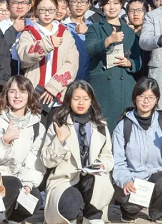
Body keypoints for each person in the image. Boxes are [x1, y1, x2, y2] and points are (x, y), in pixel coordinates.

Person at [40, 80, 114, 224]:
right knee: (70, 204)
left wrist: (101, 165)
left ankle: (92, 217)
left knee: (96, 183)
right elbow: (46, 161)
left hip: (91, 179)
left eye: (85, 99)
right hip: (64, 180)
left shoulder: (101, 126)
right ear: (69, 100)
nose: (81, 103)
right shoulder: (58, 124)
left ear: (91, 101)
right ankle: (73, 215)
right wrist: (59, 141)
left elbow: (108, 157)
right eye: (76, 98)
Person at [112, 77, 162, 223]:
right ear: (135, 98)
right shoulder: (123, 126)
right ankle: (128, 212)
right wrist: (126, 180)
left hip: (156, 178)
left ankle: (157, 212)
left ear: (156, 100)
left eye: (150, 97)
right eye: (141, 96)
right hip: (133, 180)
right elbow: (117, 161)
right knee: (131, 207)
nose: (146, 101)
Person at [86, 0, 142, 131]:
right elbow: (90, 50)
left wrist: (129, 63)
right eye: (108, 3)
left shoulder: (129, 31)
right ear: (101, 5)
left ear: (122, 4)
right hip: (103, 86)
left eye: (116, 3)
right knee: (103, 129)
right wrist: (108, 40)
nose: (112, 7)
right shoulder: (95, 28)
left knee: (123, 130)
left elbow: (138, 61)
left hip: (124, 86)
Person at [17, 0, 78, 119]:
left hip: (59, 96)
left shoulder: (65, 33)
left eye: (51, 10)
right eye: (42, 9)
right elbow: (24, 58)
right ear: (36, 10)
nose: (47, 13)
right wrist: (47, 43)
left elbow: (72, 64)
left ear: (56, 10)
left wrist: (53, 88)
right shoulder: (28, 33)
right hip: (33, 94)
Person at [0, 76, 45, 223]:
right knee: (12, 184)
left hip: (18, 178)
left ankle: (8, 220)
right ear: (6, 94)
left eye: (22, 91)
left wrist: (27, 183)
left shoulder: (37, 126)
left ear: (29, 95)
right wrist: (5, 140)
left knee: (34, 197)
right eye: (12, 91)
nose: (17, 96)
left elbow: (34, 160)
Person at [0, 0, 32, 76]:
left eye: (24, 3)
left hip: (29, 76)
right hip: (4, 77)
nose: (20, 6)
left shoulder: (35, 27)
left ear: (29, 6)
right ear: (8, 6)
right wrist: (14, 30)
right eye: (15, 2)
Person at [64, 0, 92, 81]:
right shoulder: (61, 27)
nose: (79, 5)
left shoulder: (93, 27)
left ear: (88, 5)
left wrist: (89, 32)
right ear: (68, 4)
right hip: (67, 78)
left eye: (83, 2)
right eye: (74, 2)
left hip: (89, 79)